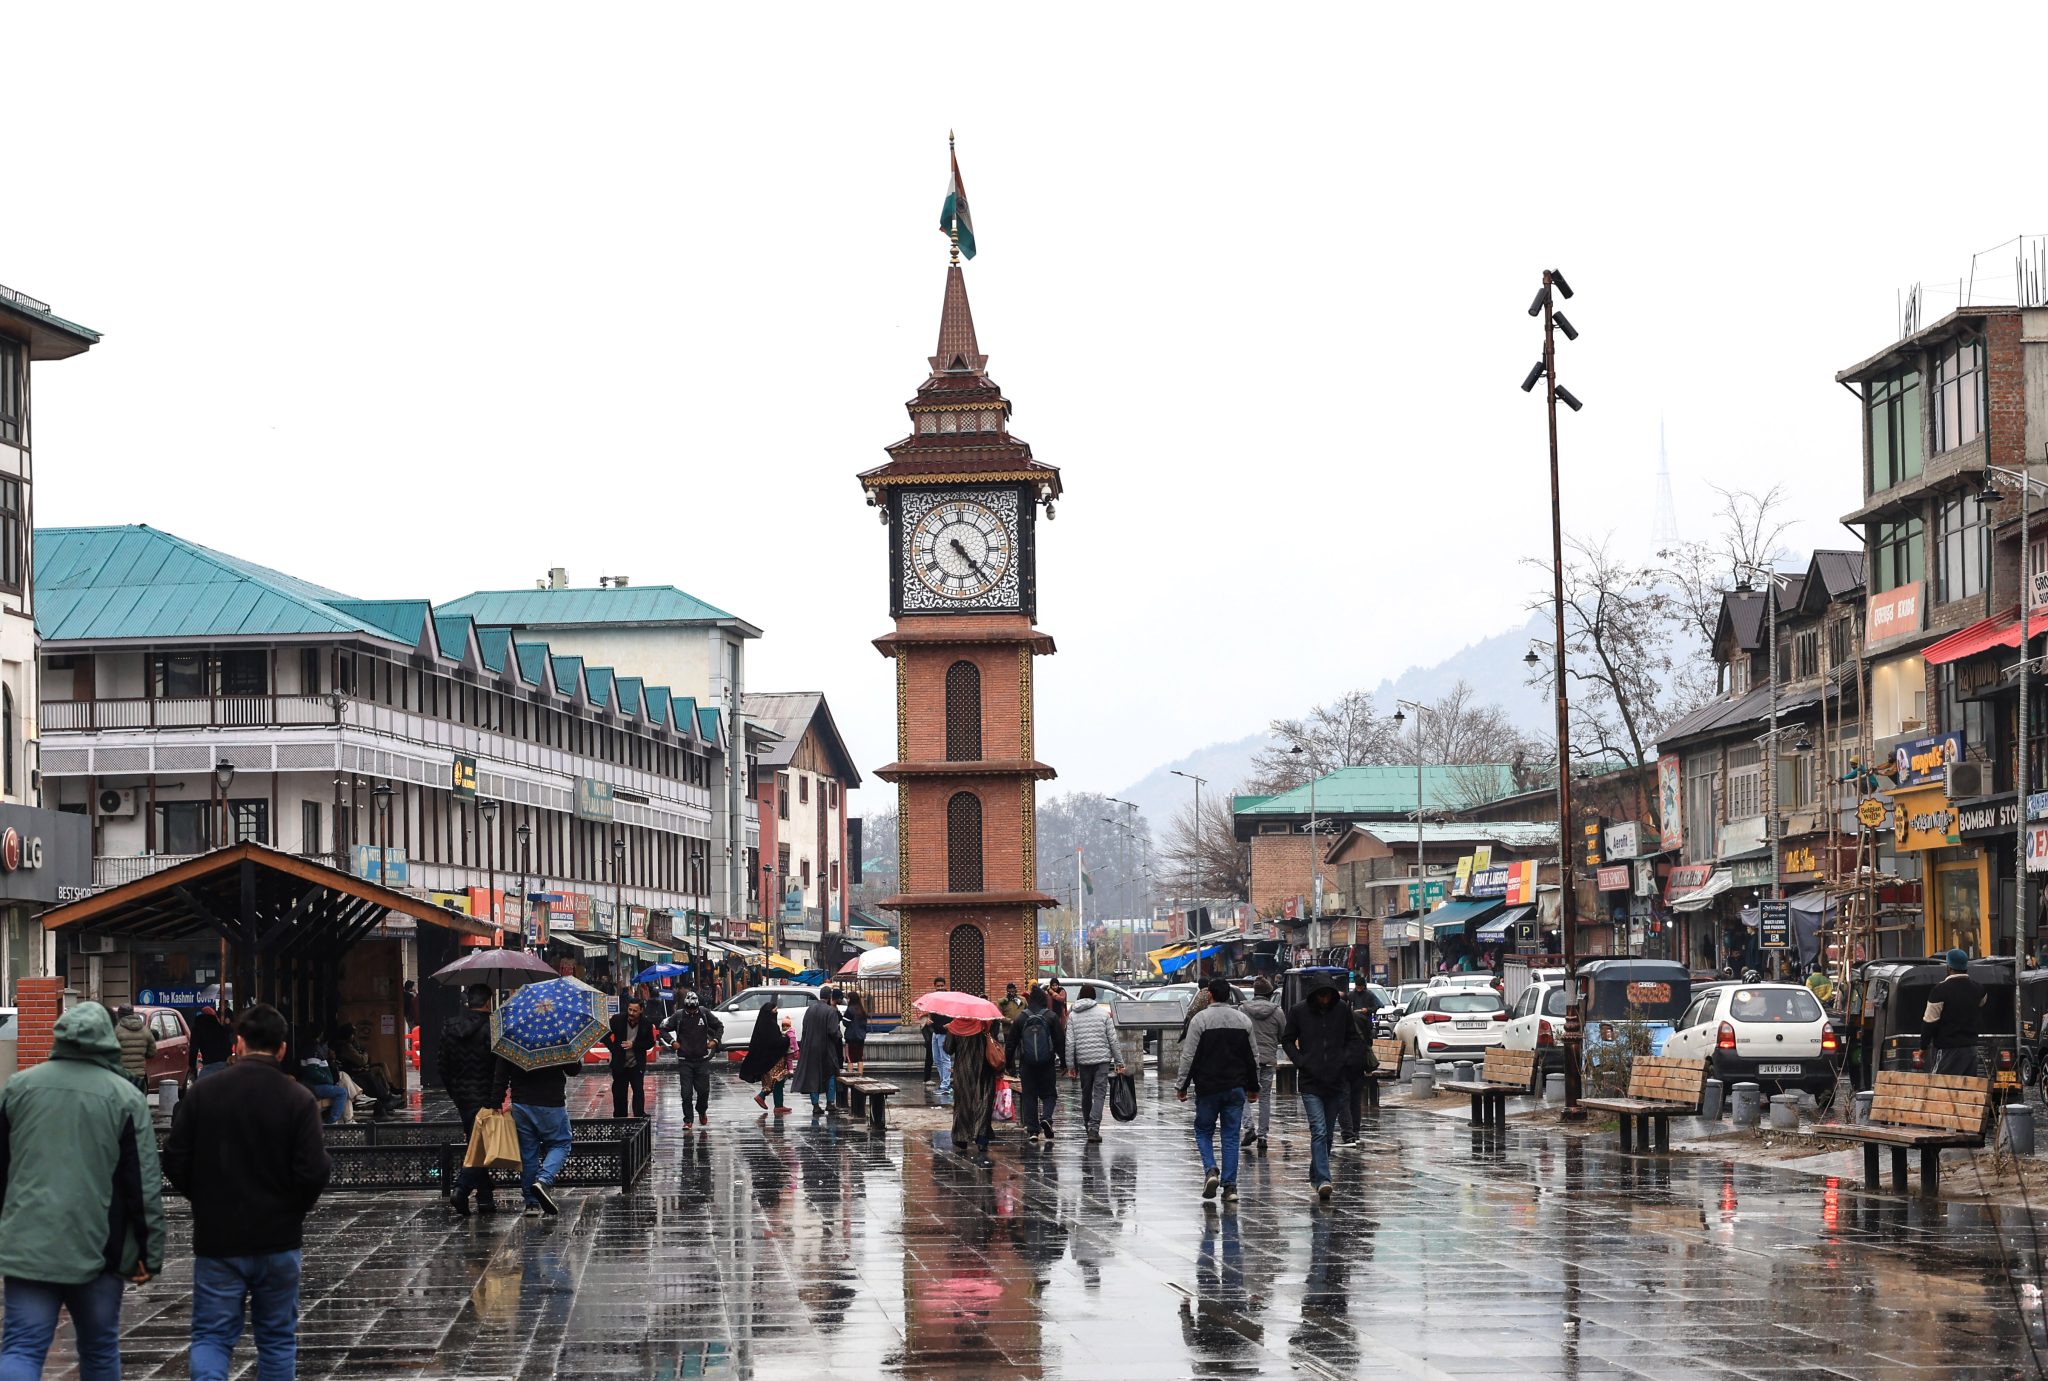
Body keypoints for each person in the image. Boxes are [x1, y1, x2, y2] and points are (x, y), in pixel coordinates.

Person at [163, 1003, 332, 1381]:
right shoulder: (298, 1099)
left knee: (212, 1336)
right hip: (278, 1239)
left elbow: (174, 1158)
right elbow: (315, 1170)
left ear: (237, 1044)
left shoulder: (205, 1094)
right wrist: (291, 1210)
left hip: (218, 1239)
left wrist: (205, 1199)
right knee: (276, 1339)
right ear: (283, 1048)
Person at [0, 1002, 166, 1381]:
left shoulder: (18, 1088)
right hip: (99, 1248)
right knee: (99, 1348)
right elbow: (141, 1184)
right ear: (107, 1039)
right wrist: (147, 1254)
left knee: (22, 1347)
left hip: (28, 1244)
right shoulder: (126, 1097)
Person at [1281, 971, 1365, 1201]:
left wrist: (1344, 1060)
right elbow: (1287, 1039)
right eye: (1321, 996)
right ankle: (1324, 1180)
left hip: (1336, 1082)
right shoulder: (1299, 1012)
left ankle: (1315, 1173)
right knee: (1318, 1130)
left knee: (1327, 1135)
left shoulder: (1341, 1011)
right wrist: (1300, 1061)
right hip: (1310, 1082)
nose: (1325, 1000)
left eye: (1328, 996)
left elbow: (1353, 1039)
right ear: (1314, 995)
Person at [1176, 978, 1258, 1203]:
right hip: (1235, 1087)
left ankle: (1210, 1170)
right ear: (1229, 996)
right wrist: (1254, 1086)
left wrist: (1182, 1085)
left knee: (1203, 1130)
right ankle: (1230, 1187)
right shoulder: (1243, 1020)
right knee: (1231, 1136)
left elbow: (1189, 1056)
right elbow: (1252, 1056)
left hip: (1208, 1087)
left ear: (1210, 995)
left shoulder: (1200, 1020)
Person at [487, 1048, 576, 1216]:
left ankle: (531, 1204)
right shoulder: (558, 1035)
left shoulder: (514, 1038)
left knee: (528, 1153)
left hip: (522, 1102)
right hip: (552, 1102)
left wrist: (496, 1102)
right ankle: (543, 1181)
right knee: (561, 1143)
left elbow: (501, 1073)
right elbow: (573, 1070)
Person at [437, 984, 500, 1215]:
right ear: (487, 1002)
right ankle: (461, 1189)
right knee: (480, 1147)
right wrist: (496, 1097)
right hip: (484, 1095)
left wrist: (455, 1093)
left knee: (476, 1143)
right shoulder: (492, 1027)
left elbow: (442, 1065)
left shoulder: (450, 1027)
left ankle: (485, 1196)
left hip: (462, 1097)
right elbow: (497, 1066)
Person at [1064, 983, 1123, 1144]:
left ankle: (1086, 1124)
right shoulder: (1104, 1015)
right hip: (1102, 1060)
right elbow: (1113, 1040)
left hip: (1083, 1061)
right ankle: (1094, 1128)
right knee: (1099, 1094)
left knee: (1086, 1093)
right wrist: (1119, 1062)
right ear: (1094, 996)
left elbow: (1069, 1043)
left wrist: (1070, 1066)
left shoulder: (1073, 1016)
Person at [1007, 988, 1066, 1141]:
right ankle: (1046, 1118)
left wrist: (1009, 1064)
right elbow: (1060, 1041)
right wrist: (1065, 1062)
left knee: (1029, 1095)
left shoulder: (1020, 1018)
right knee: (1049, 1094)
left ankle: (1033, 1130)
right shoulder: (1051, 1016)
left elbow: (1011, 1043)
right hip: (1047, 1062)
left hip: (1027, 1063)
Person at [662, 990, 724, 1129]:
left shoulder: (704, 1013)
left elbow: (719, 1026)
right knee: (686, 1092)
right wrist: (672, 1042)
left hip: (702, 1059)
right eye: (688, 1009)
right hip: (685, 1060)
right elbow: (663, 1029)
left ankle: (701, 1111)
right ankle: (688, 1119)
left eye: (693, 1009)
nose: (691, 1012)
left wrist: (715, 1040)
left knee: (703, 1091)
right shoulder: (678, 1016)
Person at [944, 1016, 1002, 1166]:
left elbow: (948, 1049)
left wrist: (950, 1031)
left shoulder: (955, 1026)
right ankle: (981, 1139)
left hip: (963, 1071)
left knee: (964, 1104)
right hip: (984, 1070)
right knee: (983, 1102)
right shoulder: (984, 1023)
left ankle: (962, 1138)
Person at [1239, 978, 1287, 1153]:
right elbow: (1283, 1034)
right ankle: (1263, 1136)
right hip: (1267, 1059)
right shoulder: (1278, 1012)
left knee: (1242, 1094)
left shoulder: (1243, 1009)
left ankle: (1248, 1127)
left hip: (1247, 1060)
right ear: (1269, 994)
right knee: (1265, 1097)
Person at [1924, 948, 1985, 1076]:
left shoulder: (1939, 990)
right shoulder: (1979, 990)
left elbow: (1930, 1021)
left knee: (1940, 1087)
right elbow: (1981, 1004)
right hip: (1971, 1050)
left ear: (1948, 967)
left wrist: (1923, 1047)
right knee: (1967, 1088)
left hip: (1947, 1051)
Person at [602, 999, 656, 1118]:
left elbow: (650, 1043)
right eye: (630, 1009)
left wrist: (634, 1045)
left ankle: (638, 1116)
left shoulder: (646, 1023)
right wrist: (614, 1049)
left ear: (641, 1010)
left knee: (638, 1090)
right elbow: (604, 1036)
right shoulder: (617, 1020)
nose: (631, 1013)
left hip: (636, 1064)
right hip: (620, 1064)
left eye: (635, 1011)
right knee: (619, 1093)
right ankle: (620, 1119)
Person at [795, 987, 846, 1115]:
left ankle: (816, 1105)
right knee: (831, 1075)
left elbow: (805, 1028)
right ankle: (830, 1103)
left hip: (810, 1047)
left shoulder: (809, 1010)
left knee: (813, 1075)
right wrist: (838, 1037)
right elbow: (833, 1031)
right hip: (826, 1048)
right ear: (829, 996)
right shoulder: (830, 1011)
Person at [739, 996, 792, 1115]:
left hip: (766, 1061)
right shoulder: (771, 1026)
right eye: (775, 1011)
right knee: (777, 1080)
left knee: (774, 1082)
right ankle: (773, 1103)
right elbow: (776, 1042)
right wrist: (787, 1039)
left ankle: (776, 1103)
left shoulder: (762, 1025)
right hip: (773, 1061)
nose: (776, 1013)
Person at [330, 1022, 396, 1116]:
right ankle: (386, 1097)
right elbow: (362, 1060)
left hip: (355, 1071)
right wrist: (365, 1052)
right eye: (353, 1034)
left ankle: (388, 1093)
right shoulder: (346, 1047)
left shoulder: (350, 1044)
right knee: (370, 1077)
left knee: (377, 1071)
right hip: (352, 1074)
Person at [295, 1034, 350, 1125]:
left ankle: (348, 1115)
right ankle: (332, 1121)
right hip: (313, 1086)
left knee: (344, 1088)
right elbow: (313, 1072)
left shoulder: (311, 1050)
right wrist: (327, 1080)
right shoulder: (312, 1052)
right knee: (342, 1092)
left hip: (315, 1084)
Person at [112, 1004, 156, 1092]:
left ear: (119, 1015)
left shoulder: (116, 1031)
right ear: (132, 1013)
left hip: (122, 1077)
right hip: (139, 1077)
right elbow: (152, 1053)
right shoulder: (145, 1030)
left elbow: (111, 1053)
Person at [190, 1002, 234, 1080]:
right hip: (225, 1064)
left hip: (209, 1064)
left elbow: (193, 1049)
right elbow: (228, 1045)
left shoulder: (197, 1029)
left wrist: (192, 1067)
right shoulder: (219, 1027)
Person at [843, 991, 870, 1075]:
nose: (847, 1000)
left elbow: (845, 1023)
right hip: (861, 1037)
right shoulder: (862, 1010)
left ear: (851, 999)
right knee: (860, 1058)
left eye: (848, 998)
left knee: (849, 1058)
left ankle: (850, 1076)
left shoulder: (849, 1010)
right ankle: (860, 1075)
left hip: (851, 1037)